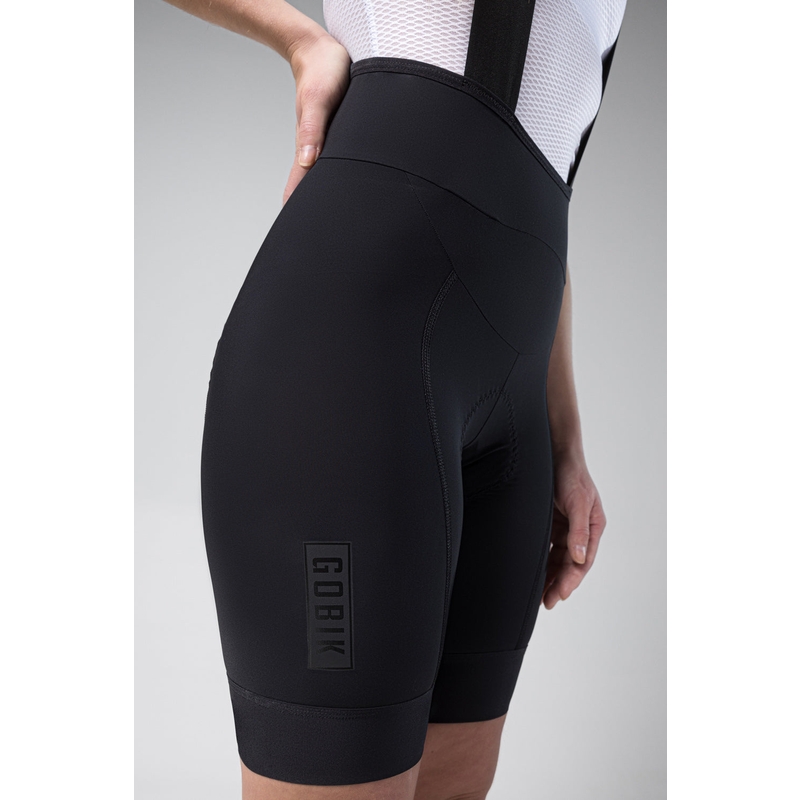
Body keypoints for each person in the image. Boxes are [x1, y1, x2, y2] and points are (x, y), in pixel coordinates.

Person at [164, 1, 626, 798]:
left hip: (514, 420)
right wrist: (299, 40)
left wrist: (566, 437)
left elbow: (545, 201)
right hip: (354, 358)